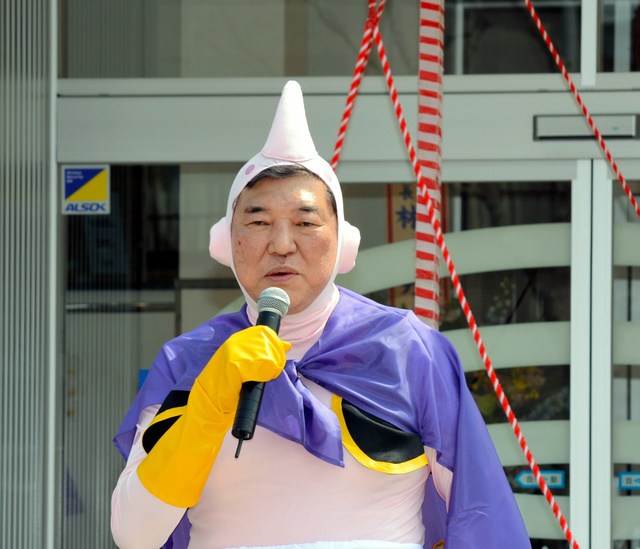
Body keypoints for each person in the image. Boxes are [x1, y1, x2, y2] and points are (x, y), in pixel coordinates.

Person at [111, 80, 531, 549]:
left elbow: (479, 511)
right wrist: (209, 403)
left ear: (342, 241)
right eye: (258, 222)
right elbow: (135, 534)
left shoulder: (408, 349)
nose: (282, 244)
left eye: (306, 222)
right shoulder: (187, 360)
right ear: (226, 242)